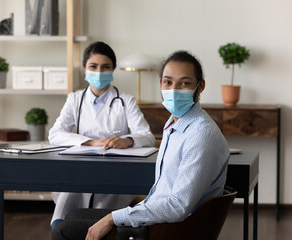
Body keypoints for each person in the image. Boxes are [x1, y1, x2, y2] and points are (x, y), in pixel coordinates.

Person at [52, 50, 230, 240]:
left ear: (200, 86)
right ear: (160, 84)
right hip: (160, 217)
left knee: (65, 230)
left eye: (185, 83)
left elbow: (177, 206)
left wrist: (113, 218)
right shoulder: (175, 124)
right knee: (72, 216)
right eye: (168, 82)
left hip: (169, 229)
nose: (174, 89)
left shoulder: (201, 134)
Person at [48, 41, 155, 230]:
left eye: (105, 67)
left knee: (103, 221)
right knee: (64, 214)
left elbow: (147, 136)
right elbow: (55, 134)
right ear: (84, 69)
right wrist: (90, 142)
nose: (99, 72)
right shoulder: (75, 99)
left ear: (113, 70)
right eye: (93, 66)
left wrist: (128, 141)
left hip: (116, 172)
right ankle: (60, 230)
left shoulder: (126, 101)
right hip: (81, 170)